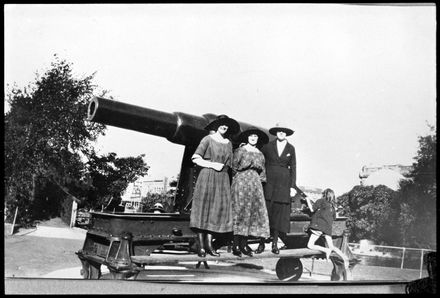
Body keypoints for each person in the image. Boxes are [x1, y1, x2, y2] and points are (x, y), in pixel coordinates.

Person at [189, 114, 240, 257]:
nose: (224, 127)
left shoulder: (228, 143)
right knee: (203, 208)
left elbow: (232, 164)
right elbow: (196, 158)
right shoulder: (207, 139)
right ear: (216, 125)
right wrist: (212, 165)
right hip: (207, 176)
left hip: (222, 179)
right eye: (222, 124)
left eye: (226, 125)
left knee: (216, 211)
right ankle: (201, 246)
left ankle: (210, 245)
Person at [230, 127, 270, 257]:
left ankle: (244, 244)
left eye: (255, 136)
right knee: (240, 211)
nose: (253, 138)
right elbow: (234, 168)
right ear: (247, 137)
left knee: (251, 212)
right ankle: (235, 244)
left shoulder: (260, 153)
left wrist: (257, 184)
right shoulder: (240, 150)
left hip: (255, 184)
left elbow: (263, 173)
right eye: (251, 136)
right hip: (241, 182)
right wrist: (240, 180)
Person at [260, 122, 298, 254]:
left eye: (284, 131)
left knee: (278, 215)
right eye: (279, 131)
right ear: (276, 133)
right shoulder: (267, 147)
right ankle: (261, 242)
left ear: (287, 133)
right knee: (266, 213)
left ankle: (274, 243)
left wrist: (292, 187)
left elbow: (293, 168)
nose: (281, 133)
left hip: (283, 186)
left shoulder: (291, 148)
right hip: (269, 184)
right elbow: (261, 163)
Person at [305, 188, 349, 269]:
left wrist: (307, 200)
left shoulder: (321, 201)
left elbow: (311, 209)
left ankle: (326, 250)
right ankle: (345, 258)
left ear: (324, 194)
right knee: (332, 246)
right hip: (328, 229)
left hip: (319, 227)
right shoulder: (332, 206)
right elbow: (335, 217)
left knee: (310, 245)